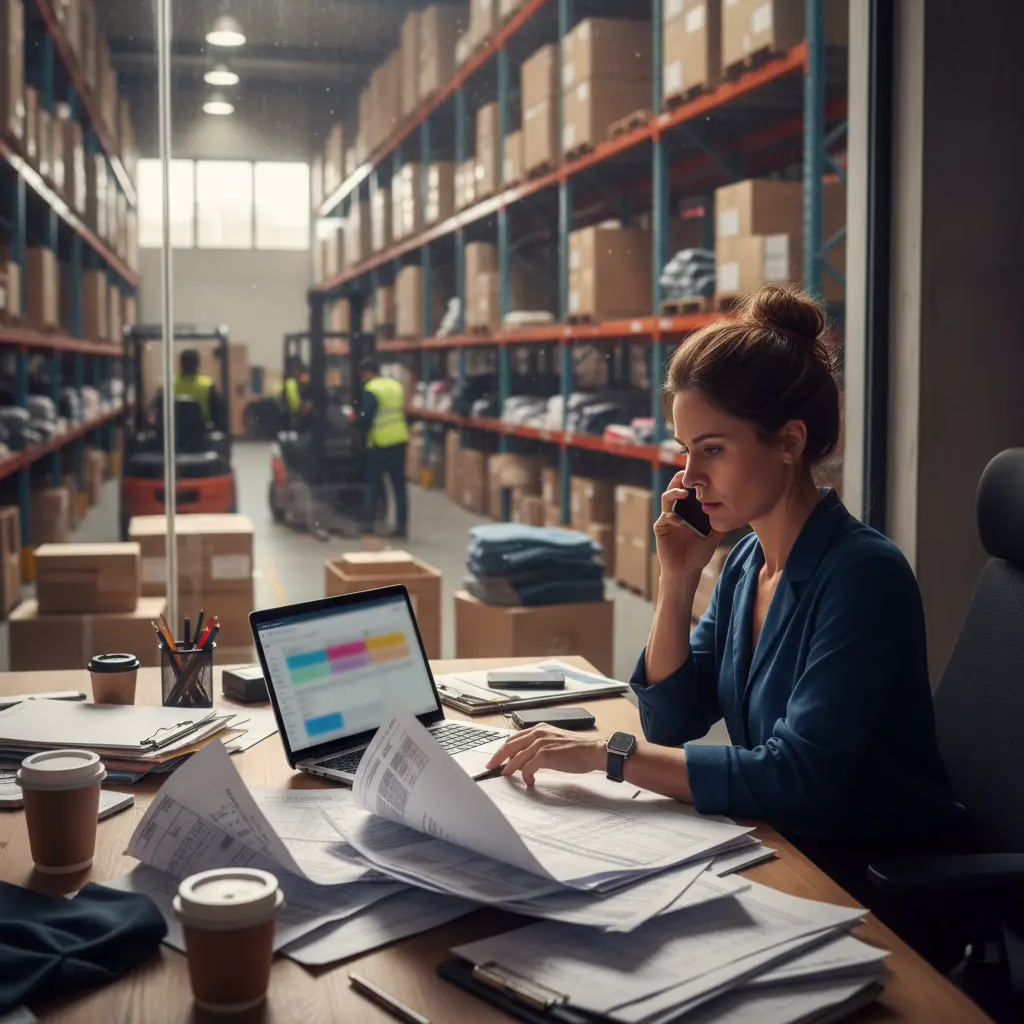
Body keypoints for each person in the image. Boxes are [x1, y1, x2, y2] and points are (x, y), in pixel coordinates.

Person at [487, 285, 964, 943]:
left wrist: (607, 753)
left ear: (789, 442)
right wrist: (677, 577)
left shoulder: (863, 575)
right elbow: (671, 717)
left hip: (868, 886)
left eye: (712, 449)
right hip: (785, 850)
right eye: (686, 450)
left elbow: (796, 778)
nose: (690, 477)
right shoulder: (745, 564)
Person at [358, 358, 409, 539]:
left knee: (373, 484)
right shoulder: (396, 386)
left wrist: (356, 424)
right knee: (399, 486)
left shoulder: (372, 389)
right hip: (400, 440)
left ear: (367, 373)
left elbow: (366, 418)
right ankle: (402, 527)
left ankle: (368, 524)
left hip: (380, 444)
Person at [173, 349, 222, 429]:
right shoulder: (207, 384)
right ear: (197, 364)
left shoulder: (170, 384)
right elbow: (217, 412)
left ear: (181, 364)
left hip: (176, 430)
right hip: (201, 430)